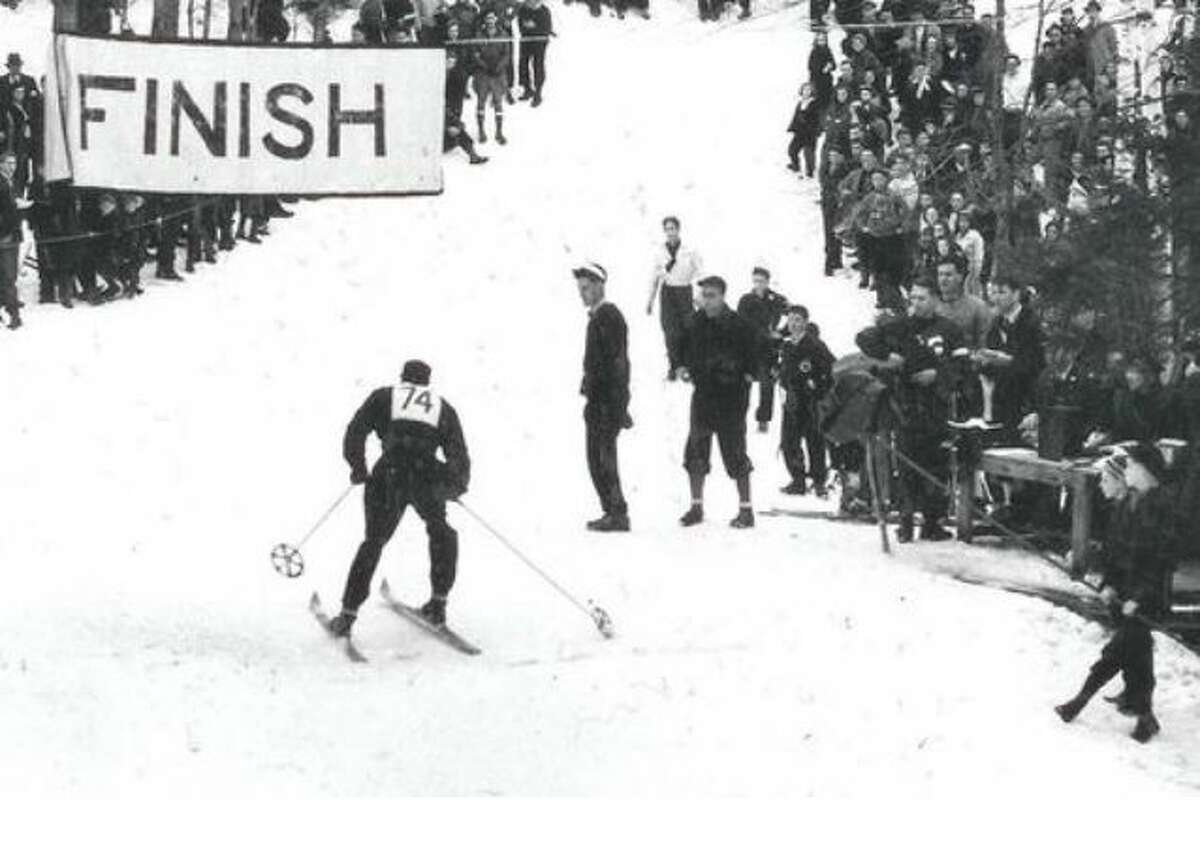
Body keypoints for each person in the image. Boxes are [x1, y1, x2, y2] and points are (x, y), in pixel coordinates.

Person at [331, 360, 471, 634]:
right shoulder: (442, 407)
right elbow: (459, 454)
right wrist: (453, 486)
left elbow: (355, 431)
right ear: (427, 383)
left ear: (402, 378)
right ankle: (438, 604)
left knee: (373, 542)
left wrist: (358, 467)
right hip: (426, 478)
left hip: (389, 475)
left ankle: (347, 615)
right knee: (441, 531)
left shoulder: (385, 396)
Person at [1055, 443, 1178, 744]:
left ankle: (1078, 702)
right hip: (1125, 594)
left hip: (1148, 598)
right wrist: (1109, 584)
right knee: (1136, 653)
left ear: (1147, 471)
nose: (1129, 470)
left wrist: (1140, 597)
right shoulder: (1128, 503)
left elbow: (1163, 560)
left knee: (1115, 653)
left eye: (1133, 466)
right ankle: (1145, 716)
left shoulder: (1163, 506)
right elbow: (1117, 552)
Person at [676, 276, 759, 529]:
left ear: (723, 296)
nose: (706, 300)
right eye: (704, 295)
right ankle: (696, 507)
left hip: (731, 398)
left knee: (734, 452)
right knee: (696, 451)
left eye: (711, 295)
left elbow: (756, 352)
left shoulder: (739, 324)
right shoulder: (694, 322)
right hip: (703, 394)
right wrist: (680, 365)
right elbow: (679, 346)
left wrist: (748, 374)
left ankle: (746, 510)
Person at [892, 279, 967, 543]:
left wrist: (938, 375)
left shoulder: (950, 330)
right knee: (906, 464)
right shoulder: (901, 328)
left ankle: (933, 521)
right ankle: (905, 519)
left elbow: (961, 366)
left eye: (921, 298)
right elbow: (876, 348)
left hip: (937, 407)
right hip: (907, 406)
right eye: (912, 298)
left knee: (936, 464)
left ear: (935, 299)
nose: (915, 304)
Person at [575, 261, 632, 532]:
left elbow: (617, 364)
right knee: (596, 458)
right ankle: (612, 510)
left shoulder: (608, 316)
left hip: (605, 403)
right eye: (580, 288)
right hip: (600, 401)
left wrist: (618, 404)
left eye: (586, 288)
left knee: (602, 459)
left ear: (600, 285)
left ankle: (616, 512)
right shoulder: (600, 317)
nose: (582, 293)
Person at [779, 306, 835, 496]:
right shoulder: (786, 345)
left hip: (811, 401)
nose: (793, 324)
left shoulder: (815, 345)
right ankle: (798, 479)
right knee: (789, 441)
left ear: (805, 322)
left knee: (815, 440)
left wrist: (818, 386)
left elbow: (830, 368)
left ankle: (819, 480)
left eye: (797, 320)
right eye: (791, 320)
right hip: (792, 400)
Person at [647, 215, 704, 379]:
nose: (670, 232)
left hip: (684, 291)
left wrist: (701, 295)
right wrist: (650, 300)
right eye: (667, 229)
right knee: (670, 331)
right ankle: (674, 366)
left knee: (687, 329)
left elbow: (700, 272)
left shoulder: (690, 250)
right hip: (668, 293)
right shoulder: (660, 251)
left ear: (678, 229)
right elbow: (655, 277)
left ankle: (687, 366)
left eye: (672, 228)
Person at [736, 267, 789, 433]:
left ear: (768, 281)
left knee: (767, 385)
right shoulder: (746, 300)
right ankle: (737, 418)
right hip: (749, 348)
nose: (759, 284)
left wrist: (781, 333)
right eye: (756, 281)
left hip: (769, 350)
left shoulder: (777, 299)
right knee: (743, 383)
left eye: (762, 281)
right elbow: (741, 324)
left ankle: (763, 419)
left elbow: (793, 315)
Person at [934, 255, 992, 352]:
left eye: (948, 275)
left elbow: (984, 346)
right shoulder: (931, 306)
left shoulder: (977, 307)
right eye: (940, 274)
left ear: (960, 277)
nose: (943, 279)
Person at [472, 10, 510, 144]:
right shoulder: (478, 35)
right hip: (483, 73)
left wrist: (499, 67)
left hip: (498, 74)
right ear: (484, 20)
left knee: (498, 102)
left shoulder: (503, 34)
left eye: (492, 17)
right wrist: (484, 65)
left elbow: (506, 55)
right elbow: (475, 54)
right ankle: (481, 131)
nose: (490, 20)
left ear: (496, 19)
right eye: (488, 18)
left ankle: (499, 132)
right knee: (481, 101)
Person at [0, 151, 23, 329]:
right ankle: (14, 315)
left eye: (14, 163)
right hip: (5, 237)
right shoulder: (1, 183)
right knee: (9, 277)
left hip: (11, 236)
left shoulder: (9, 182)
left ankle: (10, 308)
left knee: (8, 276)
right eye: (8, 163)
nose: (12, 167)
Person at [517, 0, 552, 107]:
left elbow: (547, 28)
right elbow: (520, 24)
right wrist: (525, 27)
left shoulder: (544, 11)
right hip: (526, 40)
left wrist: (534, 27)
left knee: (538, 65)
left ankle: (538, 93)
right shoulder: (523, 9)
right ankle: (527, 88)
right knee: (523, 64)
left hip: (539, 42)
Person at [787, 82, 822, 177]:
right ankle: (795, 166)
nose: (806, 92)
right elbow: (795, 116)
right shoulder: (800, 103)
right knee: (792, 150)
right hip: (799, 132)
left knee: (809, 153)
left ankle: (810, 171)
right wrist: (792, 127)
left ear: (811, 91)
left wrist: (816, 130)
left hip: (810, 132)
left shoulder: (814, 103)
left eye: (808, 90)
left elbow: (817, 119)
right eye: (804, 89)